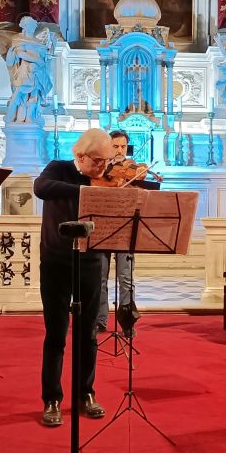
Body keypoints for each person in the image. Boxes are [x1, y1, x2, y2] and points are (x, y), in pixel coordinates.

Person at [33, 129, 116, 427]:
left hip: (91, 261)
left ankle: (86, 393)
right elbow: (41, 188)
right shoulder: (58, 169)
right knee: (56, 334)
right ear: (80, 155)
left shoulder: (106, 178)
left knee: (88, 334)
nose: (103, 167)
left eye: (107, 161)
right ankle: (52, 398)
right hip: (55, 261)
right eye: (98, 161)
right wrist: (86, 190)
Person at [95, 131, 138, 335]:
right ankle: (100, 321)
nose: (120, 150)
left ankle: (127, 323)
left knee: (125, 278)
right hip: (103, 228)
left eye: (123, 147)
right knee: (100, 278)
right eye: (116, 146)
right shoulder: (99, 169)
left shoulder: (133, 169)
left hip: (126, 229)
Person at [0, 16, 56, 124]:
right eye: (31, 24)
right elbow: (20, 53)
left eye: (34, 25)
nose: (34, 26)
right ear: (25, 26)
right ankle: (12, 116)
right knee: (19, 93)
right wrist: (37, 60)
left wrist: (50, 48)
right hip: (24, 70)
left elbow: (45, 56)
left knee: (34, 95)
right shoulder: (18, 38)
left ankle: (30, 117)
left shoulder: (37, 41)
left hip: (38, 72)